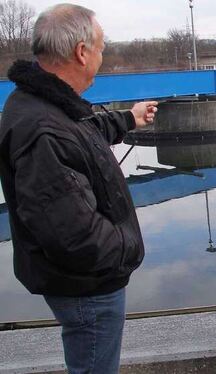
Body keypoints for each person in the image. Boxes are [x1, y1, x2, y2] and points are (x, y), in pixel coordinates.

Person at [0, 4, 158, 373]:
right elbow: (74, 236)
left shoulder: (44, 104)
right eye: (101, 47)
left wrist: (128, 119)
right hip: (88, 289)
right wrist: (129, 245)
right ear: (82, 52)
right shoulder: (43, 130)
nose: (102, 56)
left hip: (85, 282)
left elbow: (82, 137)